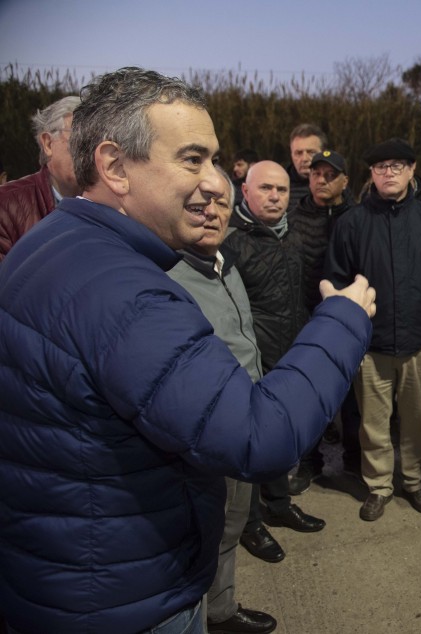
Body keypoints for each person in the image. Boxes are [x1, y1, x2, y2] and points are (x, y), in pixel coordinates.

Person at [0, 67, 374, 634]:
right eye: (192, 159)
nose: (215, 183)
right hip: (126, 600)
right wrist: (342, 322)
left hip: (69, 574)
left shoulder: (50, 241)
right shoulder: (124, 292)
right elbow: (257, 437)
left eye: (214, 160)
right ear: (114, 166)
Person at [167, 166, 276, 634]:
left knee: (232, 525)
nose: (211, 214)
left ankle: (222, 610)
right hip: (207, 425)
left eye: (220, 205)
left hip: (244, 413)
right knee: (206, 531)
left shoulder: (224, 263)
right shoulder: (167, 273)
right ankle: (200, 616)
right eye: (198, 205)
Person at [325, 138, 421, 522]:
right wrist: (349, 337)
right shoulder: (352, 222)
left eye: (397, 166)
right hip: (370, 344)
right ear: (371, 174)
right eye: (381, 167)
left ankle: (415, 481)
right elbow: (336, 282)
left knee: (416, 420)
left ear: (413, 170)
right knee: (373, 422)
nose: (389, 173)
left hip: (420, 342)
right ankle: (379, 485)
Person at [225, 161, 329, 563]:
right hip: (250, 364)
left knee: (280, 437)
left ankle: (280, 504)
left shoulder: (293, 238)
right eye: (265, 188)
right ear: (245, 192)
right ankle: (250, 524)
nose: (274, 197)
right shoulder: (230, 241)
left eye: (282, 190)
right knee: (251, 447)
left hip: (290, 354)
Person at [286, 149, 359, 491]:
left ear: (345, 180)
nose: (322, 180)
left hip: (348, 320)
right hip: (306, 318)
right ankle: (311, 460)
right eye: (317, 174)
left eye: (331, 175)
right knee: (310, 393)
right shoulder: (293, 217)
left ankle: (355, 457)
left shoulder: (358, 217)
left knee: (352, 397)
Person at [0, 95, 81, 260]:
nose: (89, 152)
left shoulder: (114, 205)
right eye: (79, 140)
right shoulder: (5, 205)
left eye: (96, 142)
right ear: (48, 144)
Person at [286, 123, 328, 209]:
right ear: (291, 155)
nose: (304, 159)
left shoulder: (335, 184)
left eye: (311, 152)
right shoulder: (279, 186)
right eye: (298, 153)